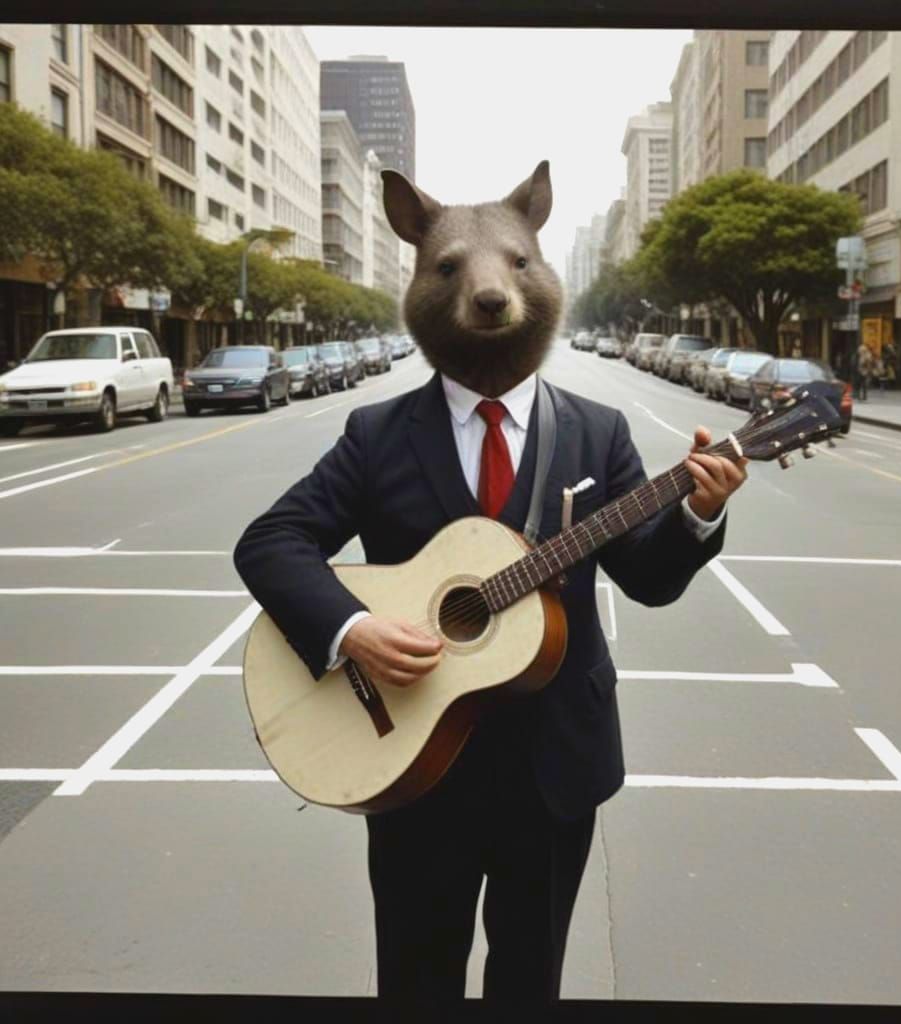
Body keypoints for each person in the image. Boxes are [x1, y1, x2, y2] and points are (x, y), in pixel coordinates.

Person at [233, 162, 749, 1012]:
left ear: (539, 270)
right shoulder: (377, 434)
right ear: (421, 276)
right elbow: (272, 542)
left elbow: (648, 579)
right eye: (452, 268)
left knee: (528, 984)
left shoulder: (597, 431)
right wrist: (350, 629)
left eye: (514, 262)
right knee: (414, 979)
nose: (486, 286)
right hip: (409, 762)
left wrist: (696, 514)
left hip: (554, 771)